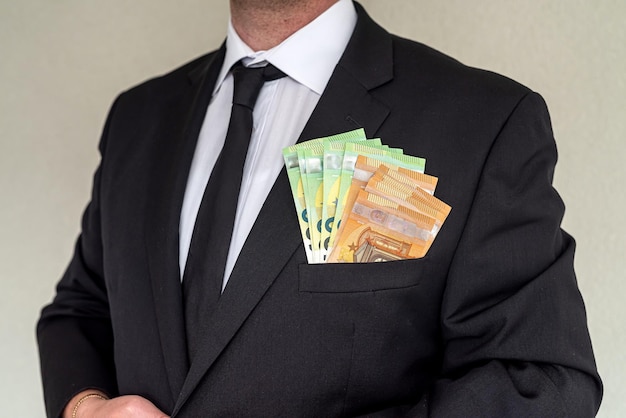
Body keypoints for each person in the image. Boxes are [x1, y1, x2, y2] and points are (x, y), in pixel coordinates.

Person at [37, 0, 602, 417]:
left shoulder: (484, 120)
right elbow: (81, 309)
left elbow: (542, 381)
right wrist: (84, 407)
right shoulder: (137, 117)